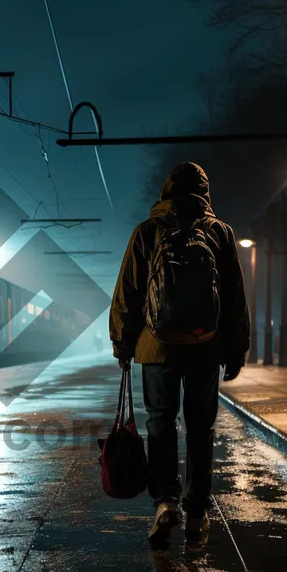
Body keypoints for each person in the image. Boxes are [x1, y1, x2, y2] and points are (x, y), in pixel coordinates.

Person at [109, 162, 250, 542]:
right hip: (206, 347)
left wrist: (122, 343)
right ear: (205, 193)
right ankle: (198, 511)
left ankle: (165, 502)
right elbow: (234, 297)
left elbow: (129, 292)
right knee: (200, 427)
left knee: (160, 422)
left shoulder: (148, 232)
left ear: (165, 192)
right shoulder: (220, 233)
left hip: (156, 349)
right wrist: (236, 350)